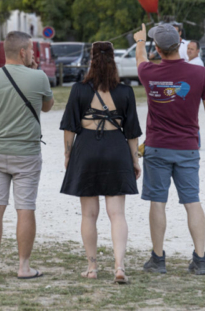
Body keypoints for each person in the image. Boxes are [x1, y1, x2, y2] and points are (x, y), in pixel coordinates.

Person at [134, 22, 205, 276]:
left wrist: (140, 40)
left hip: (157, 148)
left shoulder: (149, 73)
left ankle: (158, 258)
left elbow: (140, 57)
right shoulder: (200, 74)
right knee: (192, 201)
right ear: (180, 46)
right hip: (187, 148)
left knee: (158, 202)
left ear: (158, 49)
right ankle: (200, 259)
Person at [0, 31, 55, 280]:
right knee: (25, 209)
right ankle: (23, 267)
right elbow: (48, 107)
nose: (33, 54)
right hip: (26, 154)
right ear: (23, 52)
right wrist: (35, 71)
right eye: (31, 50)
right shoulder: (39, 77)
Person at [60, 41, 143, 284]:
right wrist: (135, 161)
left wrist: (68, 155)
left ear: (91, 60)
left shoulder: (79, 89)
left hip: (86, 150)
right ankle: (119, 267)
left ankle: (92, 267)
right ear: (113, 61)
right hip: (116, 150)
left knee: (89, 215)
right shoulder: (125, 92)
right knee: (117, 214)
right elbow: (132, 133)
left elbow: (69, 128)